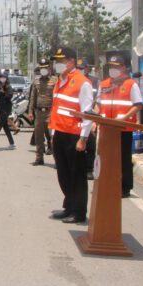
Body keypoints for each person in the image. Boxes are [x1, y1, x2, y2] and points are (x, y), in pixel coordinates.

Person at [48, 47, 93, 224]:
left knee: (77, 176)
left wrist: (83, 138)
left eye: (61, 60)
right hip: (60, 133)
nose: (57, 64)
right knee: (63, 173)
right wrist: (53, 134)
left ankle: (79, 211)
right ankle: (69, 206)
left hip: (74, 135)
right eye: (56, 61)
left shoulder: (83, 82)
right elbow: (56, 109)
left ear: (71, 61)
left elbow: (87, 113)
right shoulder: (60, 81)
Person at [96, 53, 143, 198]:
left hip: (123, 128)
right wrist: (95, 120)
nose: (113, 69)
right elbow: (98, 104)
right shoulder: (104, 84)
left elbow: (138, 105)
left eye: (116, 67)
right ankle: (108, 183)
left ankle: (125, 187)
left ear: (123, 68)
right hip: (106, 127)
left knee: (123, 158)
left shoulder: (131, 84)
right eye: (111, 66)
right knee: (106, 157)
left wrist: (125, 117)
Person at [28, 59, 56, 166]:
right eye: (42, 68)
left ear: (49, 68)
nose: (43, 69)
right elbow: (33, 97)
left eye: (45, 67)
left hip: (50, 112)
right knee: (38, 137)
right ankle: (39, 158)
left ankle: (57, 160)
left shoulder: (54, 80)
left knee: (52, 137)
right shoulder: (36, 81)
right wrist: (30, 111)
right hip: (39, 112)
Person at [77, 58, 99, 180]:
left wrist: (94, 121)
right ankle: (79, 169)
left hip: (91, 116)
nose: (80, 70)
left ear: (87, 68)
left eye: (82, 68)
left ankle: (89, 169)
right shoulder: (75, 81)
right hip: (77, 117)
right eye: (78, 68)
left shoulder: (95, 81)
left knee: (90, 145)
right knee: (78, 144)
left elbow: (97, 102)